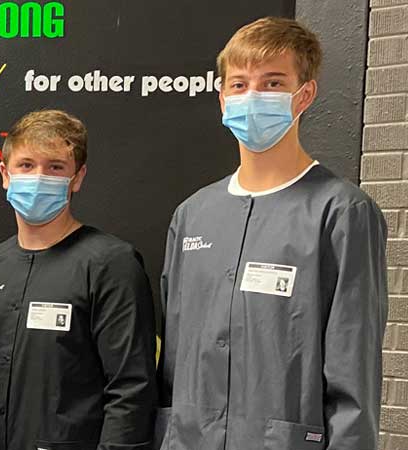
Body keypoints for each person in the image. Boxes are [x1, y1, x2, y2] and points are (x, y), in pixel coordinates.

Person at [156, 17, 387, 450]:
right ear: (222, 97)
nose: (252, 96)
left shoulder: (342, 212)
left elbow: (353, 373)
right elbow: (174, 361)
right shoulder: (192, 216)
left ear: (305, 95)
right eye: (239, 84)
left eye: (272, 82)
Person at [0, 110, 158, 450]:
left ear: (77, 177)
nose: (39, 177)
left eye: (55, 167)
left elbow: (131, 388)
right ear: (5, 174)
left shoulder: (111, 264)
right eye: (26, 165)